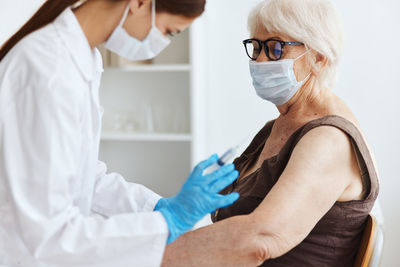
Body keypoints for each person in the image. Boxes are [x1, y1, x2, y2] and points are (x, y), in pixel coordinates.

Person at [0, 0, 241, 266]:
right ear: (139, 3)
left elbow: (84, 176)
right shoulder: (49, 70)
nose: (163, 43)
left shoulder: (84, 59)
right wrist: (164, 223)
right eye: (169, 32)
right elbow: (48, 235)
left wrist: (157, 207)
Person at [161, 0, 379, 266]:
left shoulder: (330, 140)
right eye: (255, 47)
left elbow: (261, 239)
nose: (260, 60)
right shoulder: (279, 126)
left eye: (275, 48)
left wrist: (155, 255)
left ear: (318, 58)